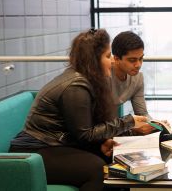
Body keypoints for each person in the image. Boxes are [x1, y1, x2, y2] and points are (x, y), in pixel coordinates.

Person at [9, 29, 149, 191]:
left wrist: (101, 143)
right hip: (35, 149)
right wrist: (129, 122)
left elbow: (81, 128)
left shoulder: (87, 80)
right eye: (107, 56)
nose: (111, 61)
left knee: (114, 159)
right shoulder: (76, 86)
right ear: (93, 60)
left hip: (57, 143)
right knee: (96, 169)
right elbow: (84, 134)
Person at [111, 31, 154, 135]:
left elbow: (142, 113)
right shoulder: (102, 77)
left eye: (141, 58)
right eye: (132, 60)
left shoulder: (138, 78)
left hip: (119, 128)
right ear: (116, 58)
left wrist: (155, 124)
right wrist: (131, 129)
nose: (138, 65)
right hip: (102, 132)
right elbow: (98, 124)